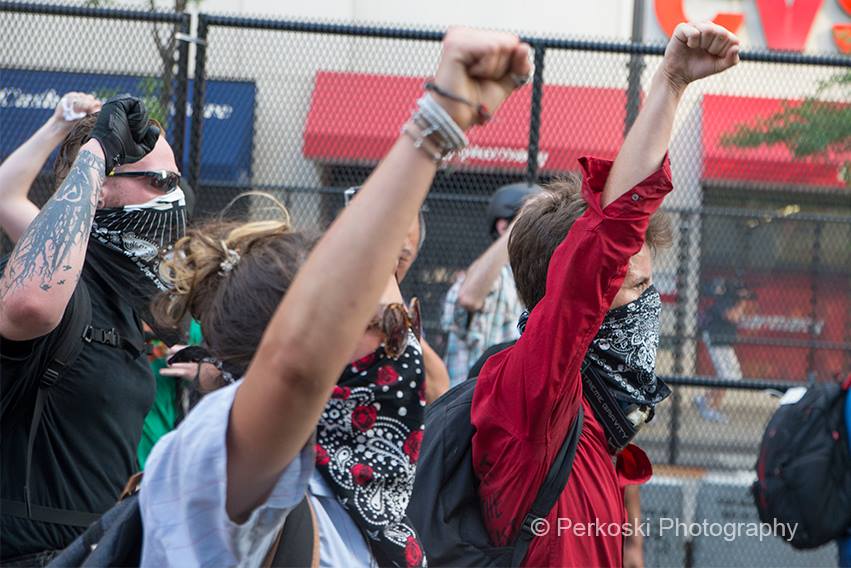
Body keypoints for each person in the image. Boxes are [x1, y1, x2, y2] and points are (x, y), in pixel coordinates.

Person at [136, 27, 530, 566]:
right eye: (374, 325)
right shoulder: (220, 459)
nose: (400, 347)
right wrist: (434, 126)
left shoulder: (362, 489)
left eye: (398, 325)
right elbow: (297, 367)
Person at [469, 22, 740, 567]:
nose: (648, 305)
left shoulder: (600, 407)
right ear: (575, 292)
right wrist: (669, 83)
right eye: (634, 285)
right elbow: (606, 238)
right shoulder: (534, 392)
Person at [0, 95, 186, 564]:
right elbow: (27, 306)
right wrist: (92, 148)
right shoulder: (52, 283)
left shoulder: (123, 294)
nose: (174, 198)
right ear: (100, 188)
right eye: (158, 181)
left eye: (177, 183)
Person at [441, 182, 538, 385]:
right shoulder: (494, 275)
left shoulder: (534, 278)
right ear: (504, 226)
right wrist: (522, 220)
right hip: (469, 405)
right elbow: (468, 297)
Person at [694, 278, 752, 423]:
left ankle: (703, 399)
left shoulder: (735, 301)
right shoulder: (727, 299)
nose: (745, 294)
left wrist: (742, 302)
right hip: (715, 340)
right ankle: (710, 409)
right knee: (725, 376)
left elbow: (737, 318)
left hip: (724, 343)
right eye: (743, 292)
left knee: (733, 376)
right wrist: (742, 302)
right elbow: (732, 316)